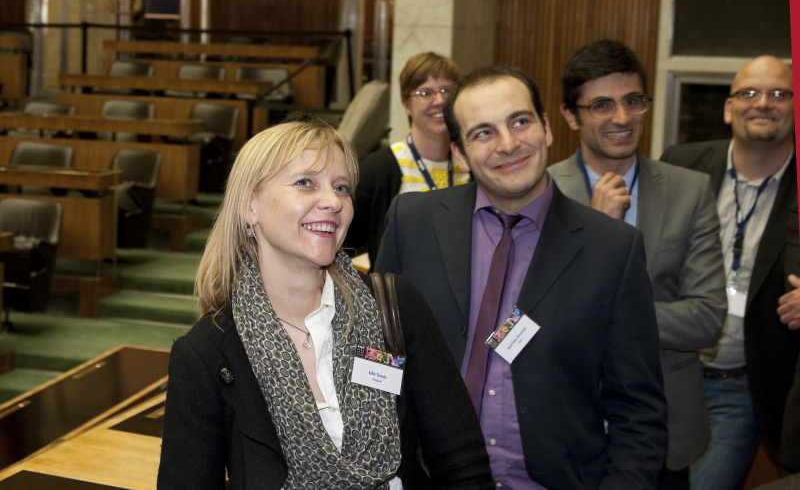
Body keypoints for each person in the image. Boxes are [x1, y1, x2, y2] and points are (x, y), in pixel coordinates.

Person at [157, 116, 494, 489]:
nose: (333, 202)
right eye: (306, 183)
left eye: (342, 187)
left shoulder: (395, 307)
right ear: (250, 205)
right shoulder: (206, 354)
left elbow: (462, 460)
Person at [374, 65, 668, 488]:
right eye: (483, 132)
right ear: (459, 152)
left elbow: (639, 412)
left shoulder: (613, 249)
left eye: (520, 121)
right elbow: (378, 353)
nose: (508, 144)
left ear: (547, 127)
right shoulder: (412, 222)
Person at [547, 39, 727, 489]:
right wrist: (598, 230)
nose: (623, 118)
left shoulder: (690, 191)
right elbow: (527, 316)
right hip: (562, 429)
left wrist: (608, 313)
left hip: (664, 429)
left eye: (633, 101)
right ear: (571, 116)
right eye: (602, 105)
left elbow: (707, 317)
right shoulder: (539, 192)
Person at [661, 55, 800, 488]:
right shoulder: (680, 165)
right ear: (728, 108)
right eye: (749, 93)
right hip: (668, 371)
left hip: (741, 387)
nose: (763, 103)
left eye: (779, 93)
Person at [346, 52, 471, 269]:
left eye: (447, 91)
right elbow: (341, 244)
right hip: (400, 299)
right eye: (425, 93)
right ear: (405, 104)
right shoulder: (378, 171)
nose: (439, 100)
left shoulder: (474, 164)